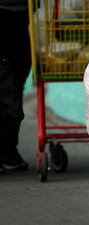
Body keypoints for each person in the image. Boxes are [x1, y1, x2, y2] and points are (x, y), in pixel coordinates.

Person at [0, 0, 31, 174]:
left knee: (17, 77)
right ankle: (7, 151)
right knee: (6, 86)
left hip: (19, 16)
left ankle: (8, 150)